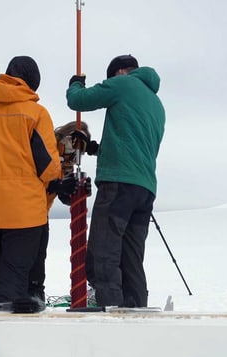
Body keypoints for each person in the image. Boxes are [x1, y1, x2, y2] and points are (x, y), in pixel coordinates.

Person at [0, 56, 68, 310]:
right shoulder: (36, 114)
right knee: (14, 282)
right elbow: (48, 166)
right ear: (32, 82)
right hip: (24, 213)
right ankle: (0, 337)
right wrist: (58, 183)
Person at [66, 54, 165, 308]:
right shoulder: (156, 104)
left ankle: (109, 312)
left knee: (104, 253)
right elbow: (130, 144)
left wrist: (75, 84)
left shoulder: (123, 84)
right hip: (144, 189)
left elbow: (78, 100)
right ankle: (135, 308)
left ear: (120, 72)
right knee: (131, 257)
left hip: (118, 184)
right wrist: (95, 148)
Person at [26, 120, 92, 303]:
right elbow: (30, 177)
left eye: (80, 147)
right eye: (72, 141)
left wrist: (77, 191)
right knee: (24, 260)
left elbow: (64, 193)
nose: (73, 149)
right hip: (24, 210)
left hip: (41, 212)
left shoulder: (67, 161)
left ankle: (35, 295)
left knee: (38, 260)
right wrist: (56, 185)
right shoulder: (45, 147)